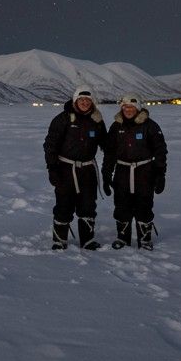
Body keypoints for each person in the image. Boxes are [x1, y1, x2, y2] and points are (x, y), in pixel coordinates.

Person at [43, 87, 109, 250]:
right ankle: (59, 241)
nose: (85, 103)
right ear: (75, 101)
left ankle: (87, 240)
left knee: (88, 205)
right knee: (64, 205)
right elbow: (50, 145)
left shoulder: (97, 120)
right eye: (81, 100)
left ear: (92, 102)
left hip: (87, 170)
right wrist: (52, 168)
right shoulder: (62, 119)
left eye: (88, 100)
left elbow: (106, 144)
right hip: (65, 169)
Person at [102, 94, 168, 250]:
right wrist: (106, 174)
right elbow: (110, 153)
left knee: (144, 205)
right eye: (125, 107)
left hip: (144, 171)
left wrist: (160, 174)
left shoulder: (150, 126)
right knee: (121, 205)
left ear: (138, 108)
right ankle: (123, 237)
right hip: (122, 171)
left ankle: (144, 239)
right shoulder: (116, 126)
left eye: (131, 107)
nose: (128, 110)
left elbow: (160, 151)